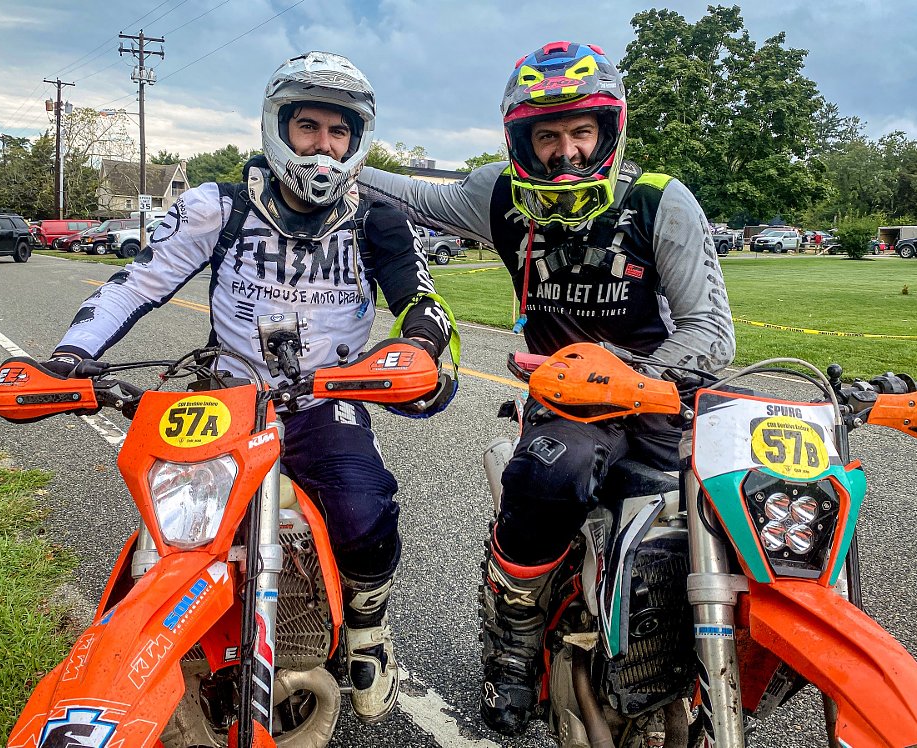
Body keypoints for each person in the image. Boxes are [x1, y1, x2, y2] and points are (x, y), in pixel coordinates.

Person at [40, 51, 458, 725]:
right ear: (277, 126)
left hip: (327, 400)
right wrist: (69, 354)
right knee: (175, 526)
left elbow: (423, 303)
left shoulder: (377, 216)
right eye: (309, 126)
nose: (323, 145)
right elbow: (137, 283)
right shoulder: (217, 207)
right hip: (226, 401)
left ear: (357, 140)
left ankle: (369, 628)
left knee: (364, 506)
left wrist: (421, 351)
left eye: (339, 131)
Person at [356, 40, 735, 735]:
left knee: (741, 511)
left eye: (581, 132)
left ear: (608, 131)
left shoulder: (659, 201)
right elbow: (406, 192)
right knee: (546, 479)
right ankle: (513, 642)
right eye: (549, 134)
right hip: (563, 403)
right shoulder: (496, 194)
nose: (566, 151)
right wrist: (328, 159)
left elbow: (712, 331)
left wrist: (636, 376)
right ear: (521, 140)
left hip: (661, 396)